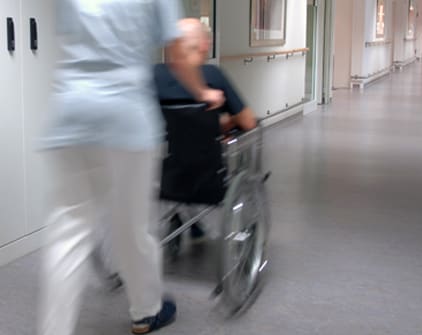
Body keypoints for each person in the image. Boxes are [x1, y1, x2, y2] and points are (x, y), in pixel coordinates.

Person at [37, 1, 225, 335]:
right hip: (125, 119)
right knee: (132, 228)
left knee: (67, 233)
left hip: (69, 113)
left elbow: (72, 42)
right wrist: (203, 92)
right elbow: (179, 54)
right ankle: (146, 311)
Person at [154, 18, 257, 250]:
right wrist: (224, 124)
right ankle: (192, 221)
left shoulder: (154, 75)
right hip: (209, 174)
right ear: (204, 45)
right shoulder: (212, 76)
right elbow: (248, 122)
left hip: (165, 173)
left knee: (178, 158)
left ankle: (182, 218)